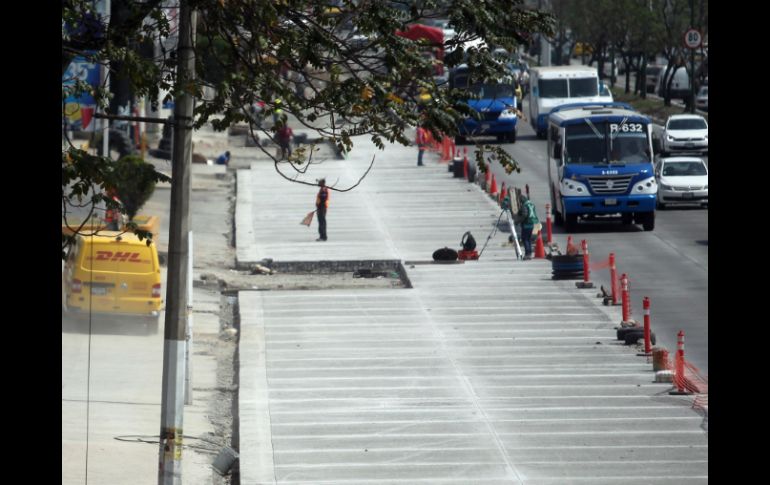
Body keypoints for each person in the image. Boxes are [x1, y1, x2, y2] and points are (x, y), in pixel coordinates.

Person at [516, 194, 539, 260]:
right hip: (532, 223)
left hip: (526, 224)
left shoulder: (524, 205)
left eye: (520, 201)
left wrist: (518, 221)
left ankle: (527, 254)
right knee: (528, 239)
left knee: (525, 239)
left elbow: (524, 215)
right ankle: (530, 253)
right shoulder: (531, 204)